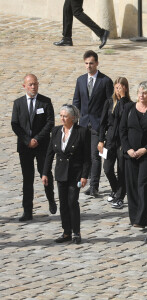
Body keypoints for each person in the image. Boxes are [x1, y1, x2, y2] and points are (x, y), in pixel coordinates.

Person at [42, 104, 91, 244]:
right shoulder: (56, 131)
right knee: (63, 203)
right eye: (61, 115)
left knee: (72, 202)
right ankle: (66, 232)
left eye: (65, 116)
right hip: (61, 173)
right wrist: (45, 172)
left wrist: (84, 175)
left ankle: (76, 232)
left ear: (73, 118)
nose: (62, 118)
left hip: (75, 173)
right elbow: (49, 154)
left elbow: (87, 157)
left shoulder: (82, 132)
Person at [11, 74, 56, 222]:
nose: (33, 87)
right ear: (24, 86)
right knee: (27, 178)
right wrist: (27, 140)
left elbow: (50, 123)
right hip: (25, 147)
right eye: (30, 84)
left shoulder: (45, 102)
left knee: (45, 173)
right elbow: (15, 124)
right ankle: (27, 211)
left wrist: (37, 139)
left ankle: (51, 199)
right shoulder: (18, 103)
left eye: (35, 84)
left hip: (42, 145)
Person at [119, 81, 147, 228]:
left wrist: (146, 149)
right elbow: (122, 130)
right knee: (131, 186)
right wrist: (128, 149)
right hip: (130, 154)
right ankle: (134, 217)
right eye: (140, 92)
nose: (142, 95)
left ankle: (143, 219)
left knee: (144, 186)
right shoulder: (128, 108)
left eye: (145, 93)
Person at [73, 50, 113, 198]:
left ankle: (94, 186)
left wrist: (107, 125)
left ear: (97, 63)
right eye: (86, 63)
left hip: (98, 124)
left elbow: (110, 105)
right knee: (84, 156)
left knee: (95, 156)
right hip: (83, 124)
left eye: (91, 63)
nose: (89, 66)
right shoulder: (80, 80)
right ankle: (84, 180)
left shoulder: (105, 81)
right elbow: (76, 102)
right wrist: (74, 123)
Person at [98, 77, 132, 209]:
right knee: (107, 168)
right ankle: (116, 189)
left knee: (122, 170)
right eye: (116, 88)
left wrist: (123, 98)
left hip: (122, 142)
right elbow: (102, 123)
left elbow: (122, 114)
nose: (118, 90)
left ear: (125, 88)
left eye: (120, 88)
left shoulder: (128, 104)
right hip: (110, 141)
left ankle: (119, 197)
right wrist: (101, 140)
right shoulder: (109, 102)